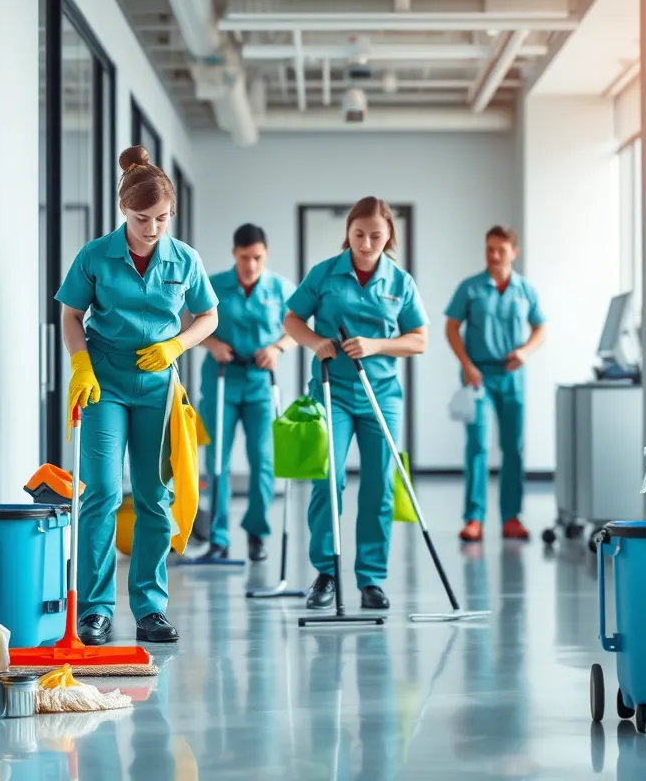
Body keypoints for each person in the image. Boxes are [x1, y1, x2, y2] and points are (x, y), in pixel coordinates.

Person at [57, 146, 219, 646]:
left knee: (154, 498)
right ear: (124, 211)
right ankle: (97, 610)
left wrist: (177, 343)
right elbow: (69, 316)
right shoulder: (95, 256)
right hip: (103, 384)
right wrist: (81, 365)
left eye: (162, 218)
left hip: (157, 389)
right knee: (102, 493)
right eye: (142, 218)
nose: (152, 228)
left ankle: (150, 608)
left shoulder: (184, 259)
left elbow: (209, 317)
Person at [284, 197, 428, 611]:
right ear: (348, 231)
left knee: (380, 486)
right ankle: (326, 573)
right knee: (328, 479)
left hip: (381, 396)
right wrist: (316, 343)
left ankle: (371, 578)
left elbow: (419, 339)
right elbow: (292, 318)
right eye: (359, 234)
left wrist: (377, 345)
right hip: (333, 392)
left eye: (376, 236)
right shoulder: (325, 274)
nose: (366, 244)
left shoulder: (400, 282)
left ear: (389, 237)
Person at [199, 223, 297, 562]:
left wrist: (279, 348)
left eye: (257, 257)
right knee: (217, 461)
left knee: (264, 460)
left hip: (259, 382)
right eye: (244, 257)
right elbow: (191, 325)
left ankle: (257, 531)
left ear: (265, 254)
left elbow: (298, 329)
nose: (251, 265)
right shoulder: (213, 285)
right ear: (234, 254)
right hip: (221, 378)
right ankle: (218, 536)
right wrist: (211, 344)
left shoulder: (282, 288)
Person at [445, 225, 546, 543]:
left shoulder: (525, 290)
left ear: (514, 252)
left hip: (513, 377)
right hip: (478, 377)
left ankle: (512, 518)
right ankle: (474, 518)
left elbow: (541, 327)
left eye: (501, 250)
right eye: (489, 248)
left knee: (513, 448)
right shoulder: (470, 288)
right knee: (478, 445)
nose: (494, 255)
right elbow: (451, 328)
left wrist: (526, 352)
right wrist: (467, 365)